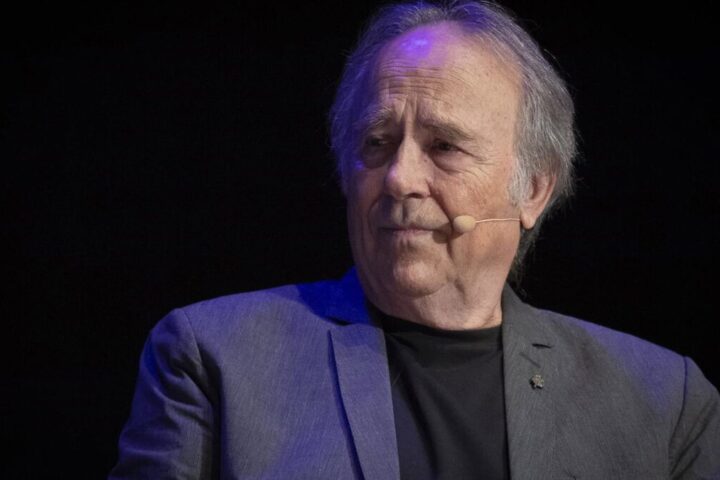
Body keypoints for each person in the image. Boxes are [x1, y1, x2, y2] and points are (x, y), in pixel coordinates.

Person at [110, 1, 720, 479]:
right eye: (377, 143)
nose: (399, 177)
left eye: (444, 146)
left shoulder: (665, 401)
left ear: (533, 189)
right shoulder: (212, 358)